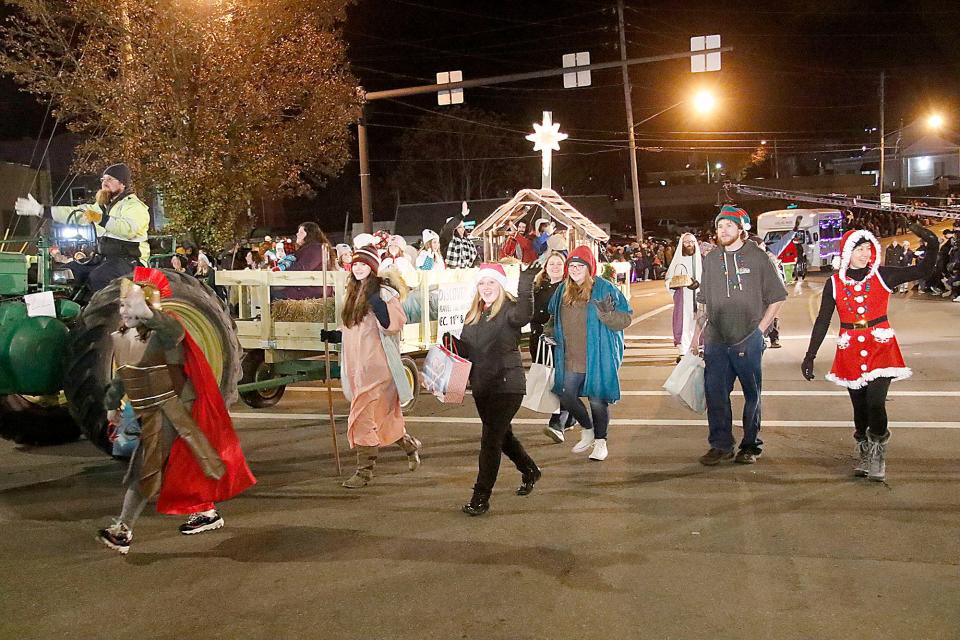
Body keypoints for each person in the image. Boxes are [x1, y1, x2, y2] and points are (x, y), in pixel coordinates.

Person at [96, 268, 256, 554]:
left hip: (174, 407)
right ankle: (206, 512)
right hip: (149, 406)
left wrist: (149, 315)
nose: (124, 309)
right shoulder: (124, 336)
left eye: (131, 304)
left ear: (147, 306)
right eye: (122, 304)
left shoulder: (164, 332)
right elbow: (123, 374)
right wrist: (112, 407)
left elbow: (174, 332)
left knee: (146, 466)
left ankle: (123, 529)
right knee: (184, 463)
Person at [802, 223, 938, 481]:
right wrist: (810, 355)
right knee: (860, 408)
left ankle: (877, 453)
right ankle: (864, 450)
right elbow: (822, 320)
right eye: (859, 249)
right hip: (851, 349)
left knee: (876, 403)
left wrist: (930, 242)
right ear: (847, 253)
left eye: (868, 248)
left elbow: (923, 269)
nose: (865, 254)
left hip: (880, 347)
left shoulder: (882, 275)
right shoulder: (834, 283)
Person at [691, 206, 787, 466]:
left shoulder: (758, 257)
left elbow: (777, 297)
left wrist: (759, 331)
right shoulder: (710, 259)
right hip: (716, 339)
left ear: (741, 229)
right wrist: (696, 337)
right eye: (720, 226)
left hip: (748, 338)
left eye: (729, 226)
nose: (722, 230)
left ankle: (750, 445)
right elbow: (702, 302)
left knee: (751, 395)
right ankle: (721, 444)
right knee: (715, 394)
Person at [324, 245, 423, 489]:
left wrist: (377, 303)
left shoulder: (383, 293)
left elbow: (393, 324)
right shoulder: (353, 293)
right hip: (358, 367)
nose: (358, 268)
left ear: (372, 267)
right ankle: (409, 446)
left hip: (378, 367)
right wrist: (334, 336)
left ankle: (364, 471)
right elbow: (353, 330)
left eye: (363, 264)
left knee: (362, 417)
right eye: (355, 264)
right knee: (384, 416)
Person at [444, 263, 538, 516]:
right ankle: (530, 470)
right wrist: (450, 345)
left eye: (491, 283)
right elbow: (468, 352)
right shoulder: (474, 314)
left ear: (500, 285)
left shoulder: (509, 310)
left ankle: (480, 497)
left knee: (490, 441)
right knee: (502, 435)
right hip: (482, 385)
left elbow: (524, 316)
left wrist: (526, 282)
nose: (486, 288)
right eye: (482, 283)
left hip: (507, 385)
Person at [548, 246, 632, 462]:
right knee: (566, 394)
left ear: (589, 267)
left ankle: (601, 443)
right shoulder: (562, 290)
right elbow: (552, 317)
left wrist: (607, 315)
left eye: (580, 266)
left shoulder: (605, 289)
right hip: (570, 356)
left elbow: (625, 319)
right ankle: (587, 429)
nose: (575, 270)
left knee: (597, 400)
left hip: (598, 355)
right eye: (572, 266)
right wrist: (549, 332)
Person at [16, 163, 150, 292]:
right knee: (65, 272)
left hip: (130, 260)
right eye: (103, 179)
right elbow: (74, 213)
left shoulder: (134, 206)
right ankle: (74, 309)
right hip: (103, 257)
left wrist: (100, 218)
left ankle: (108, 313)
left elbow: (128, 229)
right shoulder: (100, 207)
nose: (104, 182)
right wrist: (41, 210)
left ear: (123, 183)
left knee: (99, 277)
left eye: (110, 179)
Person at [532, 252, 577, 443]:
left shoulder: (570, 288)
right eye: (552, 263)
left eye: (559, 264)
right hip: (540, 342)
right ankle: (572, 416)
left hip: (562, 341)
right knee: (549, 381)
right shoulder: (537, 287)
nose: (555, 267)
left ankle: (557, 423)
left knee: (562, 382)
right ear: (546, 266)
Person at [664, 233, 702, 360]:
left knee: (699, 322)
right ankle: (683, 350)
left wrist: (699, 285)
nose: (689, 244)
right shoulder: (678, 261)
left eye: (691, 242)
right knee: (683, 322)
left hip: (699, 298)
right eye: (686, 242)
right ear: (682, 244)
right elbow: (669, 280)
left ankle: (698, 347)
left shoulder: (701, 260)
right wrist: (675, 285)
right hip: (683, 298)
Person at [271, 222, 334, 300]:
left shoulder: (314, 249)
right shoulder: (311, 248)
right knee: (272, 288)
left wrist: (283, 273)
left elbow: (301, 268)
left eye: (301, 232)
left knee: (271, 293)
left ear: (309, 234)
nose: (297, 234)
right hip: (307, 287)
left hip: (311, 291)